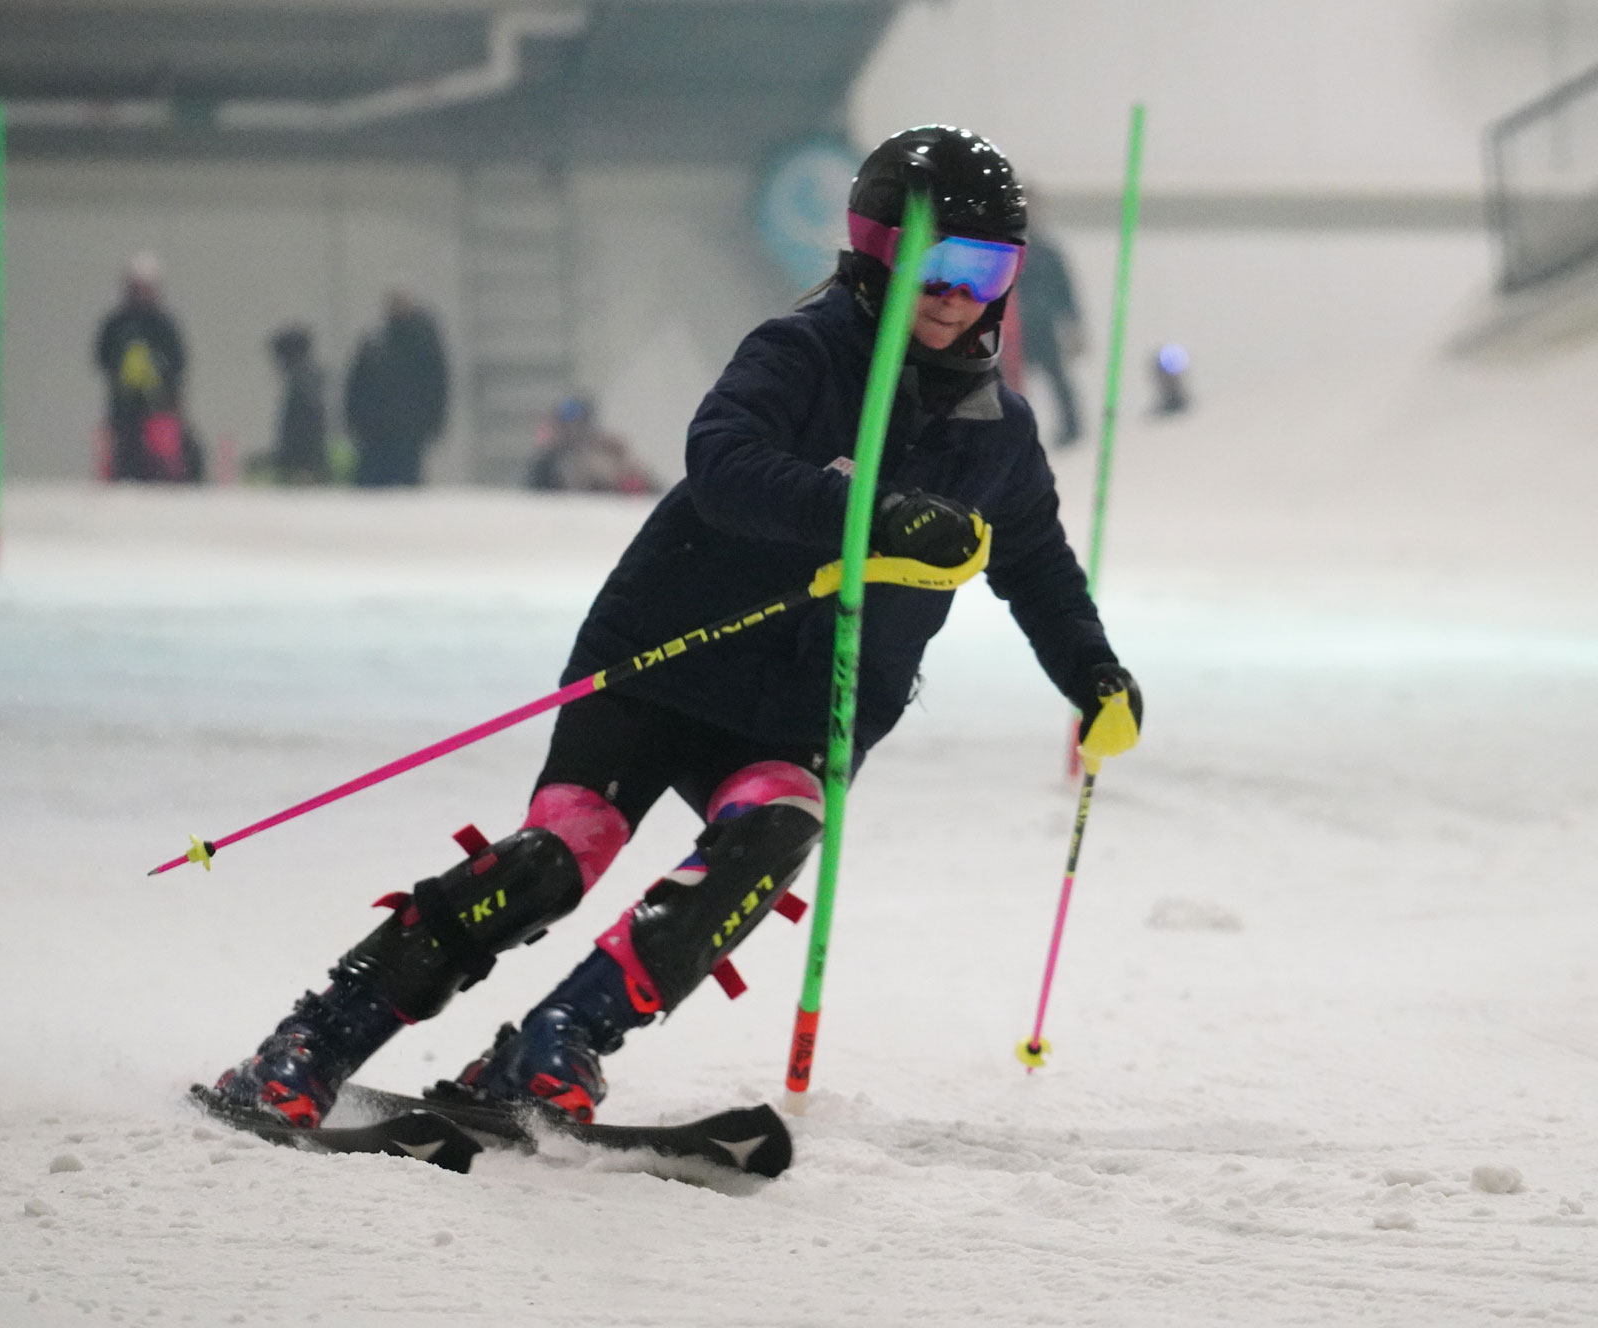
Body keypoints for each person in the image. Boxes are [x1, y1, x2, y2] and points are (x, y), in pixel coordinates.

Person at [204, 125, 1143, 1131]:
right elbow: (723, 462)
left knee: (768, 837)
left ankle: (556, 1042)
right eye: (937, 263)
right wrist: (871, 512)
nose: (958, 294)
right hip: (668, 655)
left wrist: (1092, 673)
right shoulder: (803, 351)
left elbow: (1037, 568)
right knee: (554, 861)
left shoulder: (996, 431)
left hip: (805, 703)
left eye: (986, 269)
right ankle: (313, 1039)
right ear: (877, 253)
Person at [95, 253, 204, 482]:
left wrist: (171, 397)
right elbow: (103, 359)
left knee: (162, 459)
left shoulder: (163, 325)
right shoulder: (116, 324)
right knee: (124, 456)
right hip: (123, 405)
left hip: (159, 406)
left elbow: (178, 363)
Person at [343, 290, 448, 487]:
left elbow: (435, 390)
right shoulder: (377, 346)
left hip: (401, 434)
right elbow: (357, 389)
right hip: (380, 434)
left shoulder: (418, 346)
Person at [1013, 203, 1085, 447]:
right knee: (1009, 383)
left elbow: (1065, 291)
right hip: (1014, 330)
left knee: (1057, 379)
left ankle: (1072, 430)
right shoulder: (1007, 249)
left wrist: (1073, 326)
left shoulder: (1047, 252)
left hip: (1043, 327)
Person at [527, 395, 660, 494]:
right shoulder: (547, 463)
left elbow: (651, 490)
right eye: (568, 425)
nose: (574, 430)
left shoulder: (610, 452)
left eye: (579, 424)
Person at [257, 324, 330, 485]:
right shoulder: (309, 379)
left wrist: (301, 463)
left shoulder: (301, 385)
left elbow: (304, 429)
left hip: (302, 466)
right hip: (307, 462)